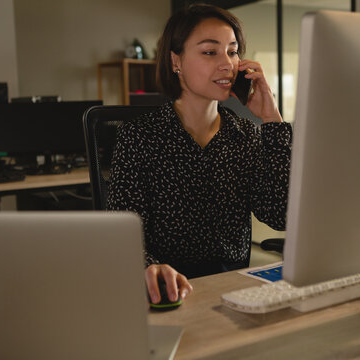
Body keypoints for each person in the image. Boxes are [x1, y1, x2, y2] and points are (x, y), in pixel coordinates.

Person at [107, 4, 292, 306]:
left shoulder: (245, 134)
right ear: (175, 60)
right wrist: (148, 268)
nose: (227, 64)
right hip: (167, 292)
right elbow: (121, 233)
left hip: (232, 290)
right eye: (210, 52)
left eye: (232, 52)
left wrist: (272, 122)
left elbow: (279, 214)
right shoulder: (140, 136)